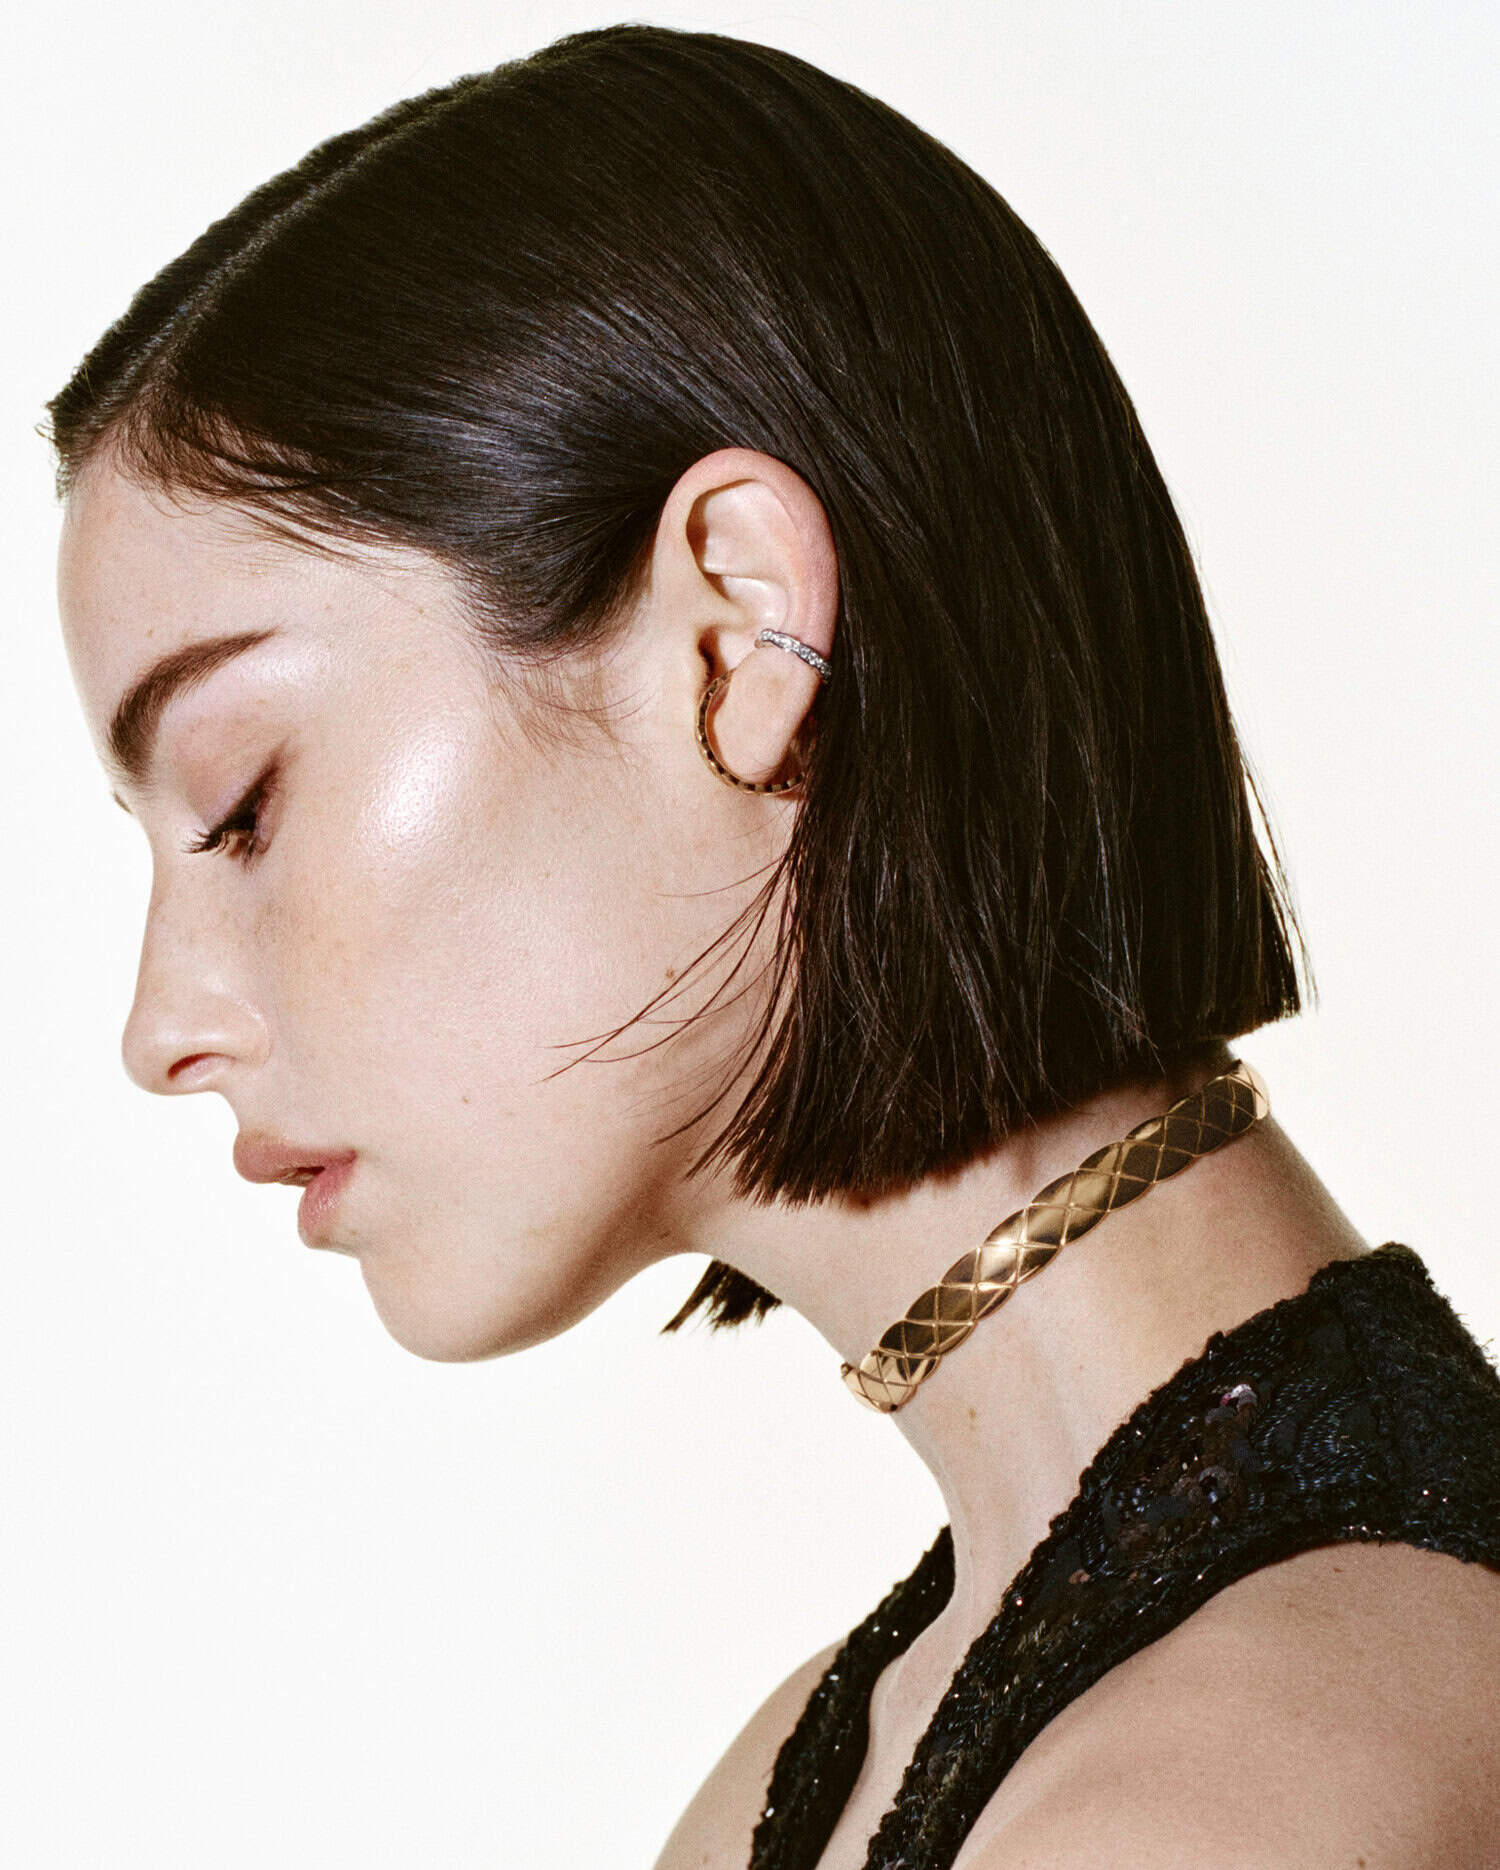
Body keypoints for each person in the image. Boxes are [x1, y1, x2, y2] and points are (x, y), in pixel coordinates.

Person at [46, 22, 1500, 1869]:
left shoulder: (1238, 1787)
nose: (160, 1025)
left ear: (736, 632)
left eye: (243, 800)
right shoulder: (831, 1759)